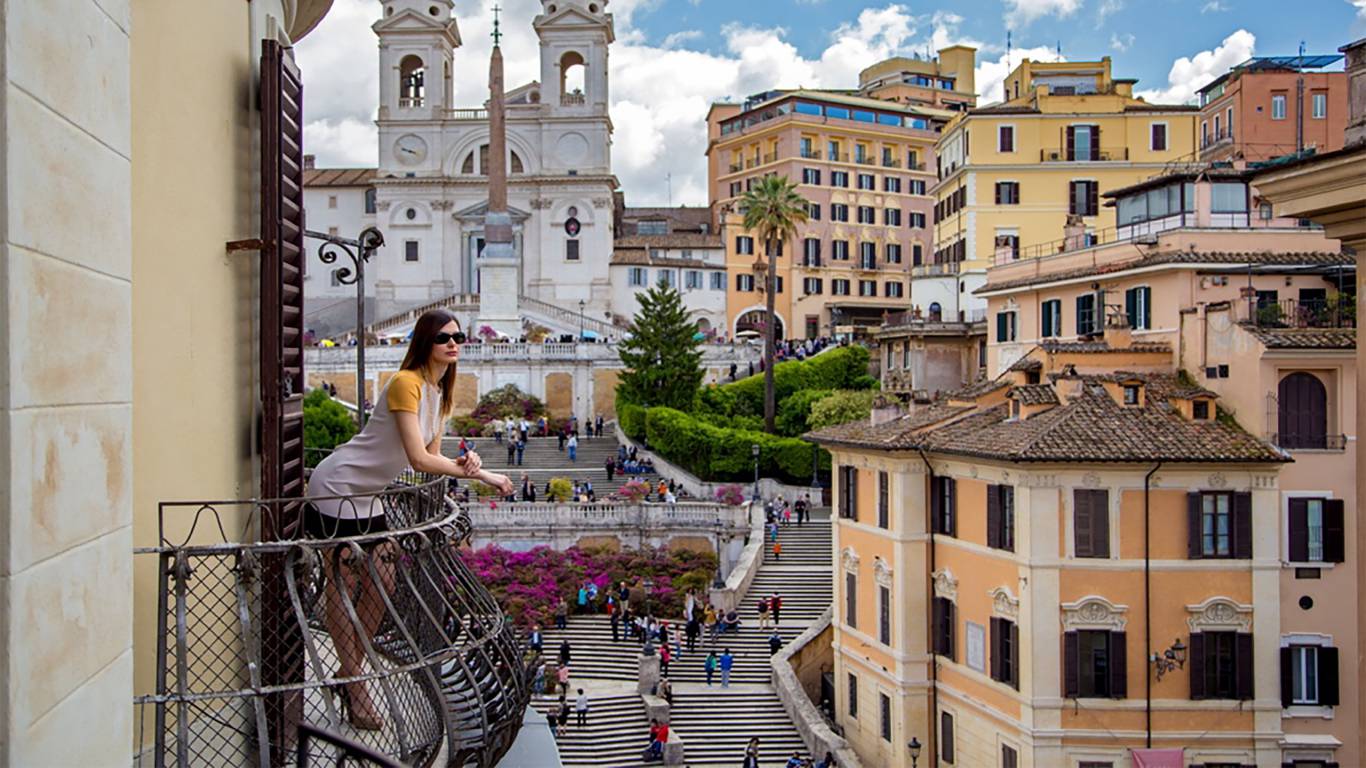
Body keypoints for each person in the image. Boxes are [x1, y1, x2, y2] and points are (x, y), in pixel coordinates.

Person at [305, 310, 512, 730]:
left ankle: (349, 671)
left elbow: (431, 461)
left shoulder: (437, 394)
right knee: (342, 583)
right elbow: (417, 458)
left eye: (458, 336)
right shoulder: (405, 383)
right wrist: (484, 475)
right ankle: (357, 686)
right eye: (443, 337)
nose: (453, 343)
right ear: (424, 342)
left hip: (369, 496)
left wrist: (464, 461)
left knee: (385, 579)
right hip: (338, 487)